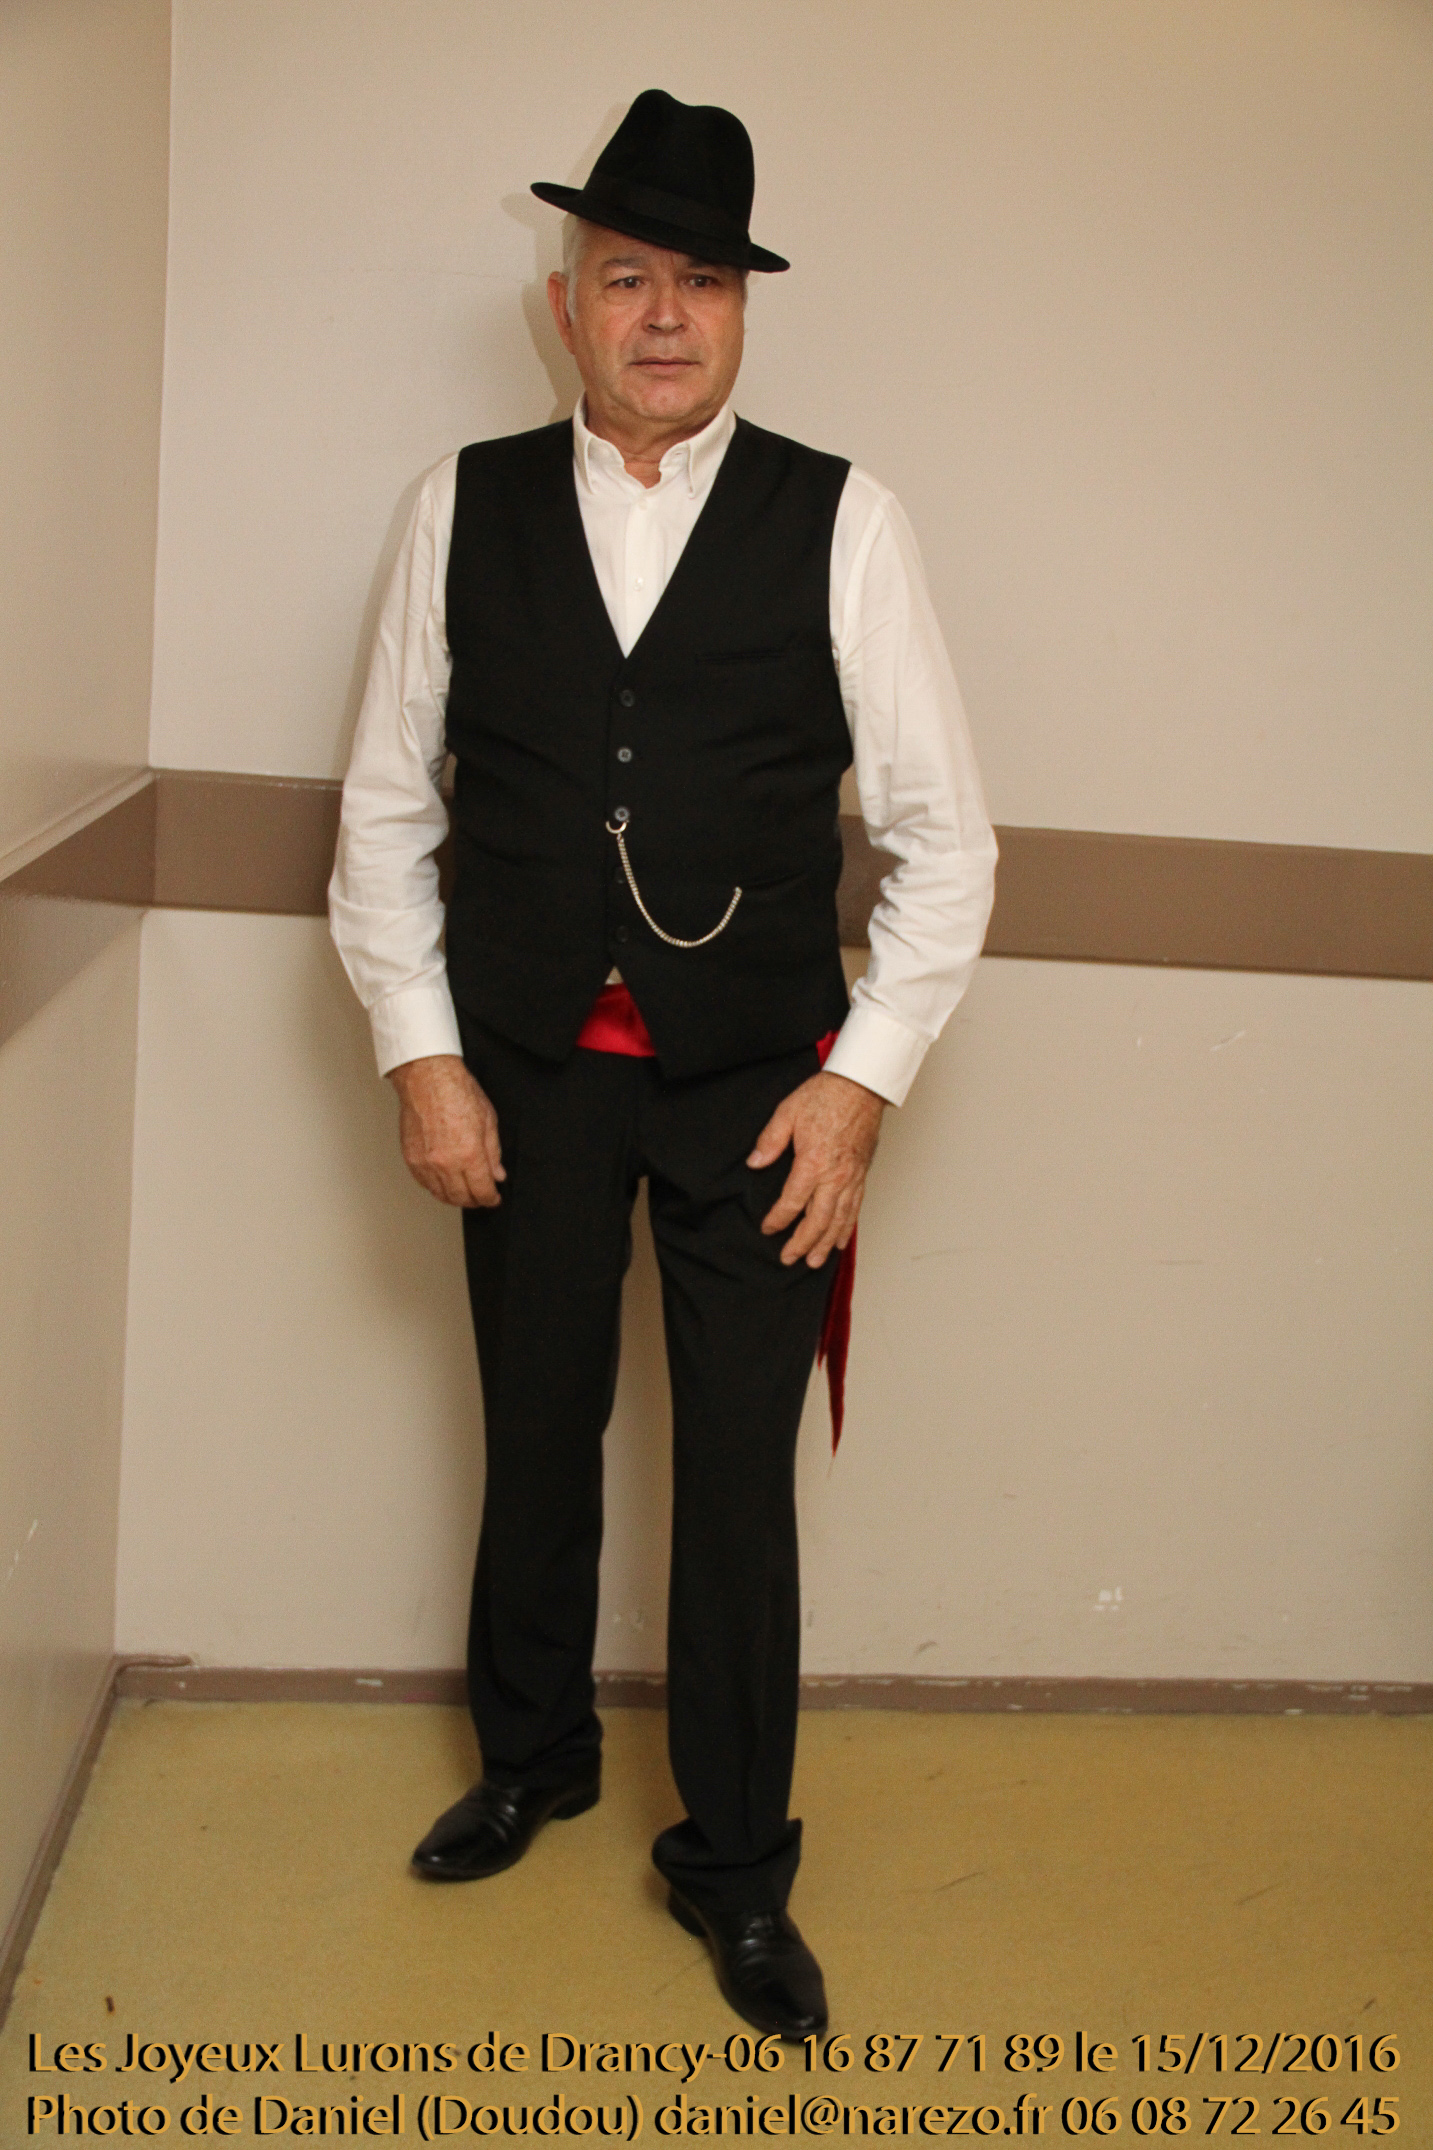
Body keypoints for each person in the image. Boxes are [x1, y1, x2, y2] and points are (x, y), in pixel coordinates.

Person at [328, 88, 996, 2039]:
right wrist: (422, 1058)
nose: (666, 315)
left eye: (703, 280)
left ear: (743, 308)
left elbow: (949, 839)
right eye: (628, 277)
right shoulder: (457, 508)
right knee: (533, 1432)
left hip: (757, 1088)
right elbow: (384, 813)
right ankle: (531, 1760)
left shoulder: (844, 519)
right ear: (566, 305)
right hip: (524, 1069)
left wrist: (858, 1083)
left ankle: (735, 1865)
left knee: (735, 1483)